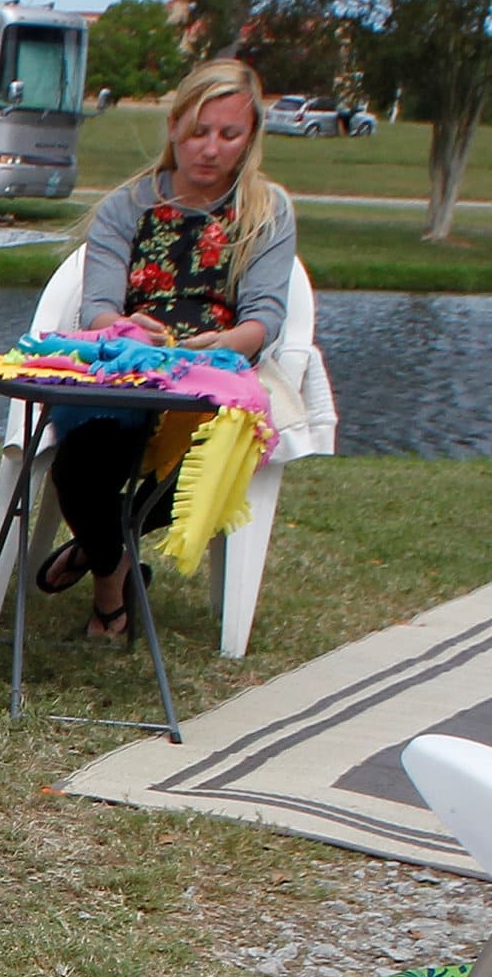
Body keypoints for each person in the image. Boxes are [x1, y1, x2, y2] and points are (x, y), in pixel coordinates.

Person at [32, 57, 297, 641]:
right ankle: (114, 581)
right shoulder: (127, 205)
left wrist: (222, 343)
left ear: (251, 137)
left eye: (229, 134)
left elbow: (265, 318)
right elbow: (98, 310)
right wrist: (127, 329)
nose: (211, 149)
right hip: (132, 365)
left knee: (213, 469)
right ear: (174, 126)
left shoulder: (267, 210)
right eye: (198, 132)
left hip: (217, 374)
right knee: (79, 466)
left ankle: (98, 554)